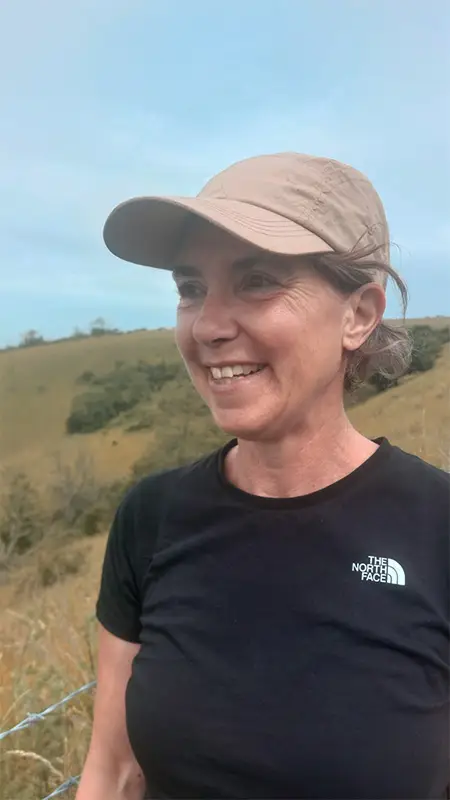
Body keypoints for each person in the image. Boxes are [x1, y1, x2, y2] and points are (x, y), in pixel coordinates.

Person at [76, 153, 449, 800]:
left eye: (257, 281)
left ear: (358, 314)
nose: (209, 326)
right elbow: (114, 771)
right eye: (190, 288)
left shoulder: (437, 525)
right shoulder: (151, 517)